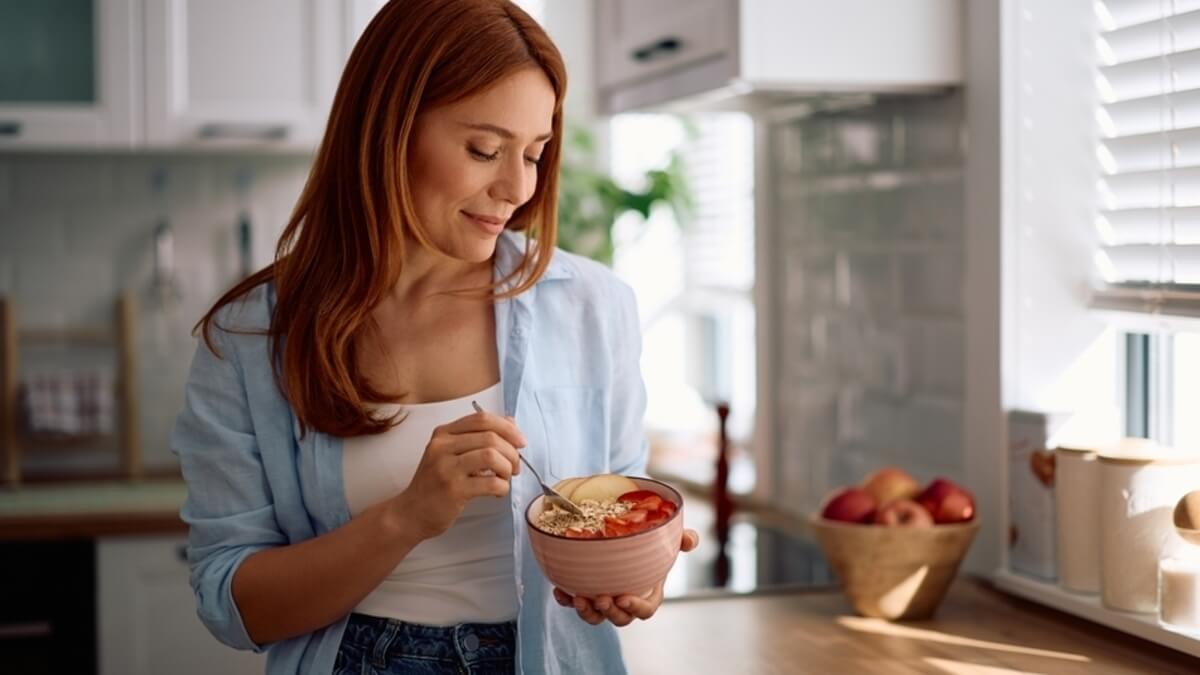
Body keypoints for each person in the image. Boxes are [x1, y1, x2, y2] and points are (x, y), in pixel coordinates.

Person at [171, 1, 699, 673]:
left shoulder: (593, 306)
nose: (516, 187)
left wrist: (635, 576)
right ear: (389, 128)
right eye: (485, 149)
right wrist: (407, 515)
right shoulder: (252, 335)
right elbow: (232, 604)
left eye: (535, 154)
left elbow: (615, 502)